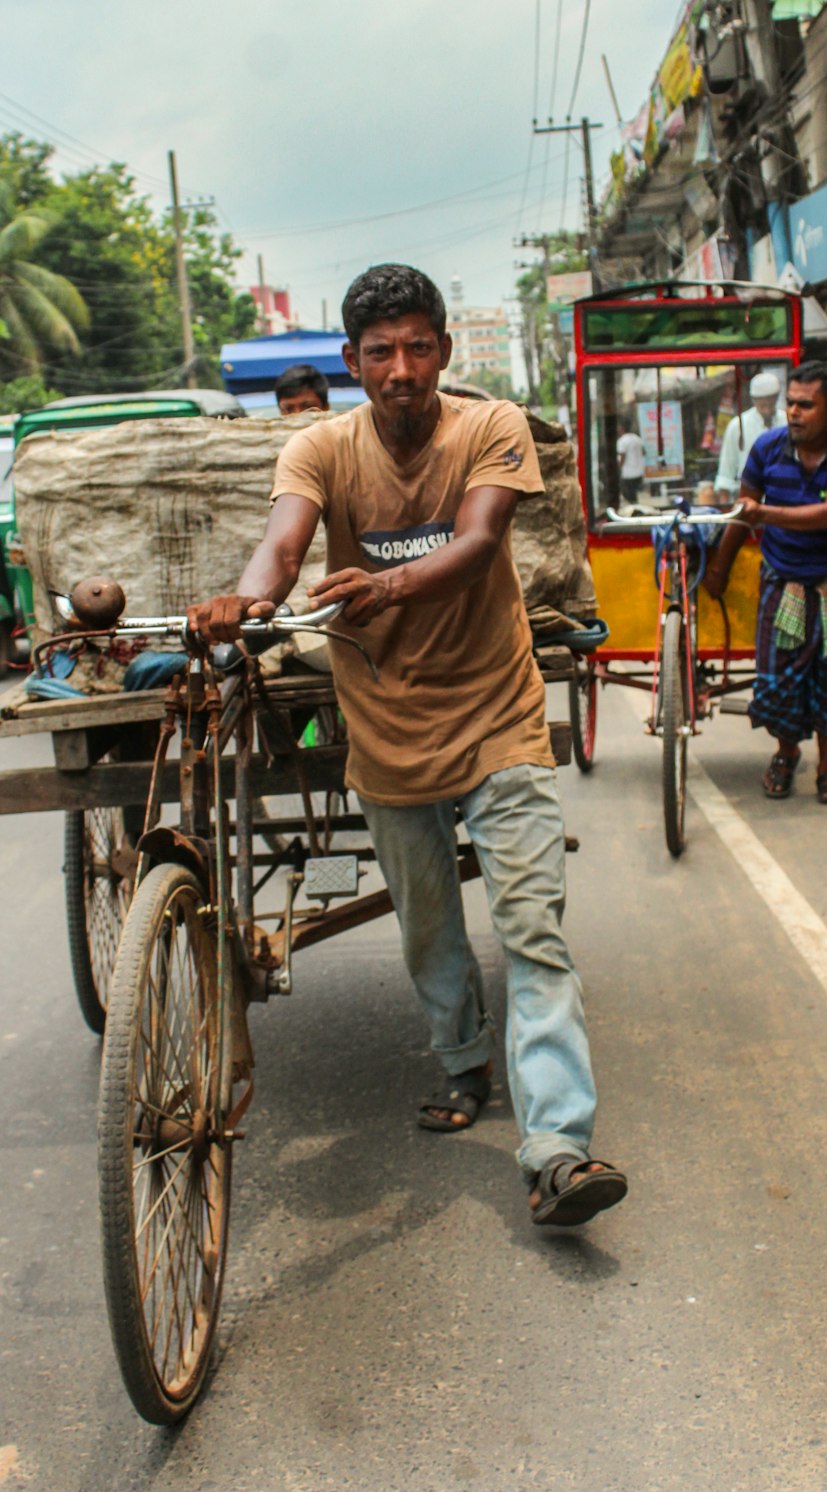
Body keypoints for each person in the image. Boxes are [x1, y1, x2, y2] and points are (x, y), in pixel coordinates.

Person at [189, 262, 627, 1230]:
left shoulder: (491, 427)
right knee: (428, 924)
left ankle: (558, 1146)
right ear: (351, 362)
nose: (400, 368)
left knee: (533, 931)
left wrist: (386, 586)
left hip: (496, 716)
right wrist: (250, 598)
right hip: (384, 731)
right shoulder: (319, 448)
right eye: (379, 351)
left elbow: (477, 541)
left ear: (442, 352)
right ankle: (464, 1059)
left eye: (417, 347)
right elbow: (283, 545)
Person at [703, 360, 827, 805]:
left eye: (806, 405)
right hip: (783, 582)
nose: (794, 412)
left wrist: (764, 514)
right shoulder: (765, 449)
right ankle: (785, 753)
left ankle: (826, 770)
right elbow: (742, 514)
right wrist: (718, 572)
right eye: (791, 404)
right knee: (778, 681)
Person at [715, 370, 786, 503]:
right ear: (754, 401)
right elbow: (725, 475)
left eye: (771, 405)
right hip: (748, 501)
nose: (767, 410)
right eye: (763, 405)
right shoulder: (737, 426)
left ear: (777, 399)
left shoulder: (787, 421)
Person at [616, 421, 645, 504]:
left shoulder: (622, 441)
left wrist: (618, 468)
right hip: (639, 472)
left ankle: (634, 506)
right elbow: (643, 452)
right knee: (634, 494)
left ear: (622, 428)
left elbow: (622, 457)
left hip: (628, 473)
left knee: (628, 494)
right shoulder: (637, 438)